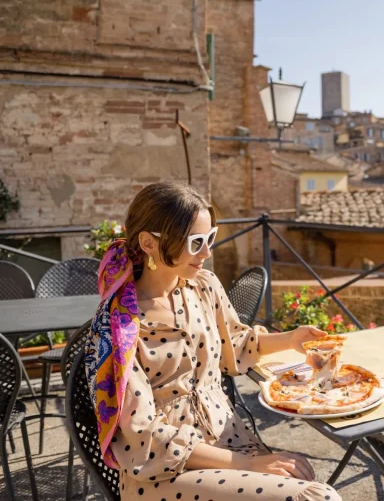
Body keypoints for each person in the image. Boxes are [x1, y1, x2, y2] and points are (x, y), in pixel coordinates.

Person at [85, 181, 342, 501]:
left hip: (230, 440)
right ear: (149, 243)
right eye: (195, 242)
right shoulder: (118, 327)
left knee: (307, 487)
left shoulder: (204, 286)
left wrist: (292, 339)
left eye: (210, 239)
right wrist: (249, 464)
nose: (207, 252)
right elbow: (142, 435)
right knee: (316, 497)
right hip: (164, 472)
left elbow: (234, 344)